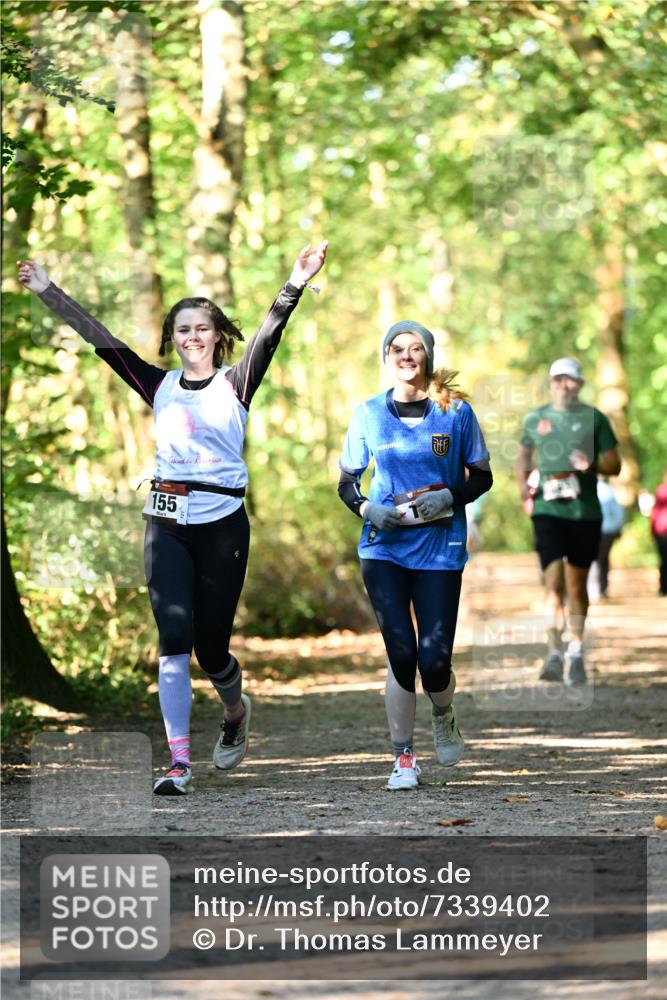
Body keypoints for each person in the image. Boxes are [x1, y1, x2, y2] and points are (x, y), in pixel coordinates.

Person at [18, 243, 328, 795]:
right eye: (183, 328)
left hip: (223, 524)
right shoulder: (156, 385)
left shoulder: (236, 383)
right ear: (172, 336)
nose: (192, 336)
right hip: (165, 521)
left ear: (217, 336)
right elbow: (102, 341)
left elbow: (272, 329)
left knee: (211, 649)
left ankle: (235, 711)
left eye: (202, 328)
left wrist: (296, 280)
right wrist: (48, 290)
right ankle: (179, 764)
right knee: (173, 640)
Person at [338, 321, 492, 791]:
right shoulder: (367, 413)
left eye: (416, 349)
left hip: (440, 549)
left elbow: (482, 477)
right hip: (383, 548)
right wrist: (368, 508)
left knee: (434, 660)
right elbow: (347, 482)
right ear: (386, 356)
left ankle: (443, 713)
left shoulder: (456, 412)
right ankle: (403, 758)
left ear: (427, 356)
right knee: (401, 651)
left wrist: (450, 497)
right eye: (397, 349)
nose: (407, 356)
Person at [515, 358, 621, 686]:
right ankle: (552, 652)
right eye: (558, 379)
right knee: (552, 585)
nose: (564, 385)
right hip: (547, 510)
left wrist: (591, 466)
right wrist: (524, 491)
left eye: (570, 380)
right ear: (551, 383)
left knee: (576, 585)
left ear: (580, 384)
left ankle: (575, 648)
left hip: (583, 512)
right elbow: (522, 455)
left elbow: (614, 464)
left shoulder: (595, 418)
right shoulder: (536, 418)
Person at [588, 478, 624, 601]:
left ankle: (595, 588)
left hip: (596, 529)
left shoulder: (588, 489)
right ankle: (602, 588)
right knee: (603, 559)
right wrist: (618, 528)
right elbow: (618, 512)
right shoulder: (608, 490)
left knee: (594, 559)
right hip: (608, 530)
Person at [647, 470, 667, 596]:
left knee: (664, 560)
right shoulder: (661, 491)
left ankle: (663, 587)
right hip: (661, 530)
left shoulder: (661, 490)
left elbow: (655, 513)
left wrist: (652, 530)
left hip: (660, 531)